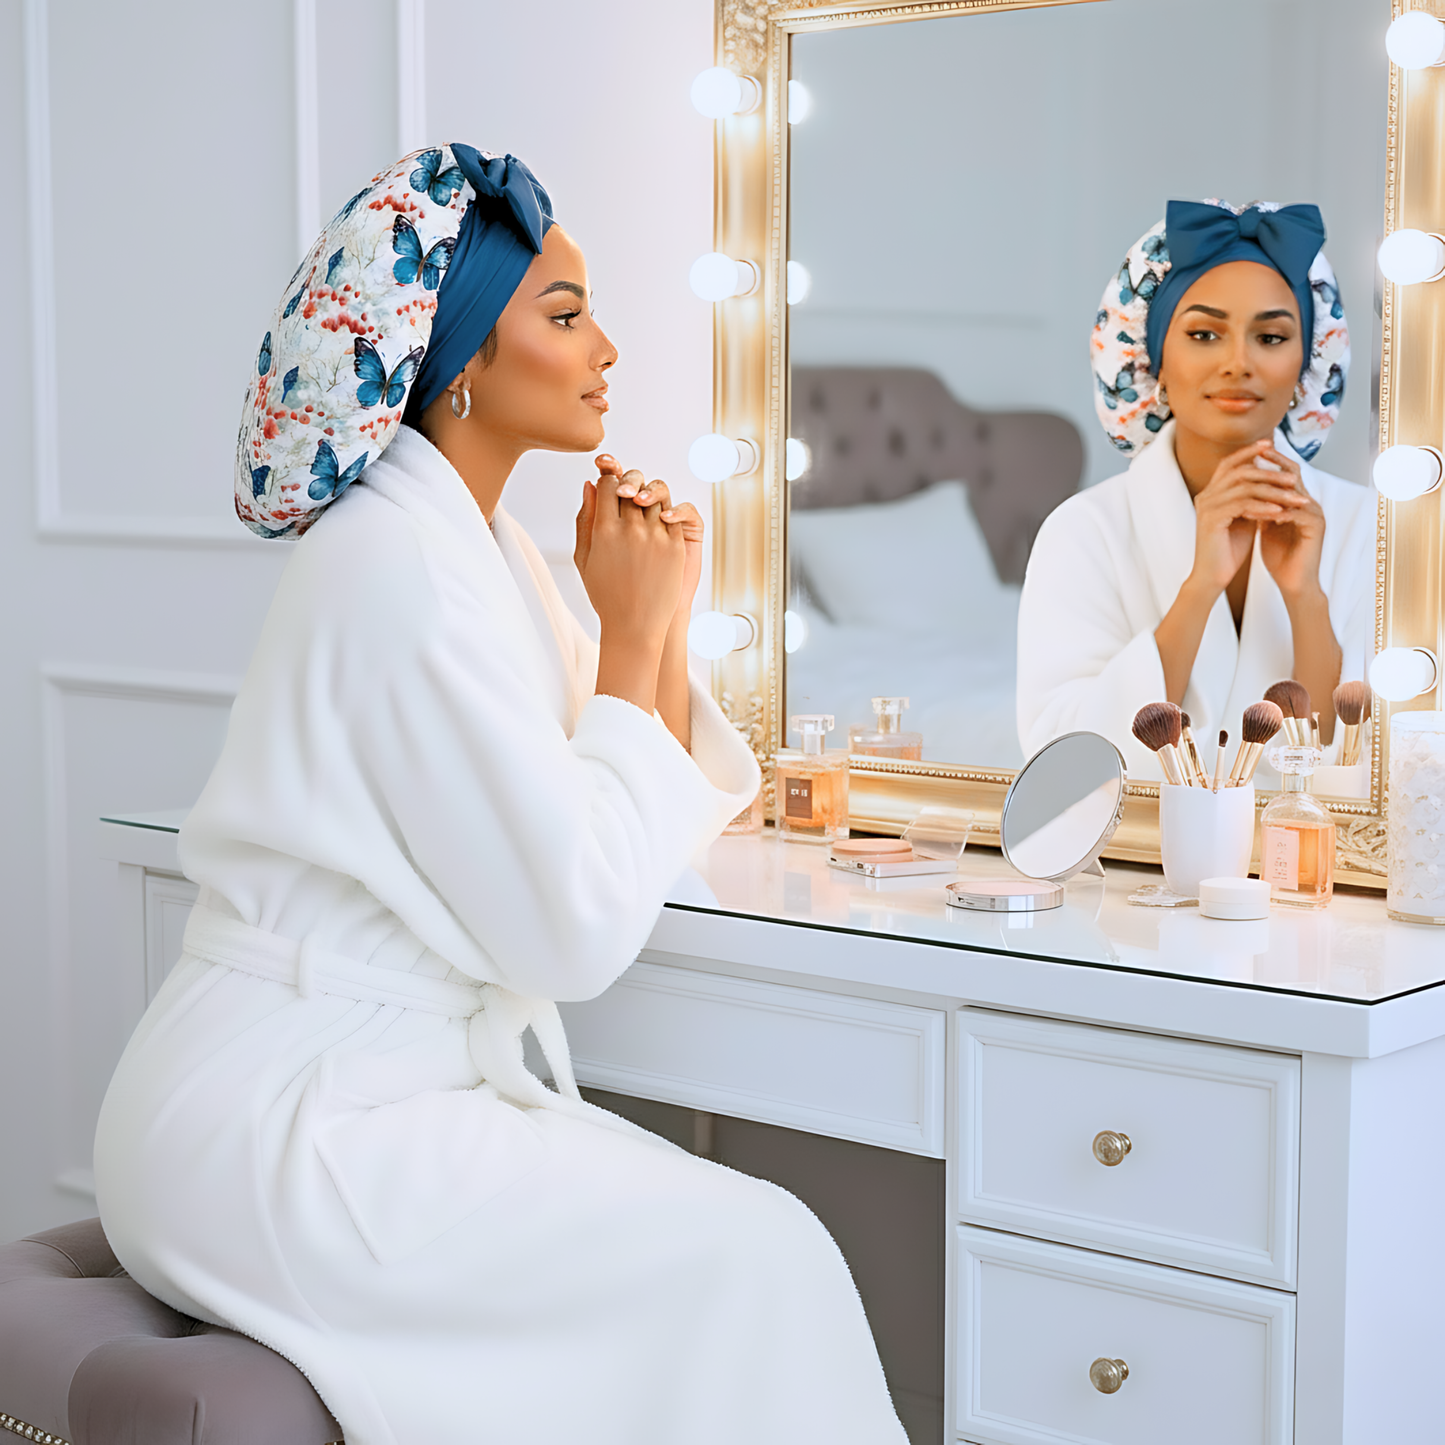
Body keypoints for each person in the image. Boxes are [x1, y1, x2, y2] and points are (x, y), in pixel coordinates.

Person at [93, 146, 907, 1445]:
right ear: (461, 353)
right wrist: (632, 635)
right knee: (763, 1251)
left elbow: (611, 791)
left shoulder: (486, 552)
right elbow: (574, 927)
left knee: (748, 1254)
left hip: (384, 1088)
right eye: (568, 316)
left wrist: (653, 620)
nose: (610, 351)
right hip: (286, 1125)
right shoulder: (393, 569)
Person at [1016, 199, 1373, 781]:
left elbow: (1374, 772)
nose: (1238, 362)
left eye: (1272, 336)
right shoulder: (1083, 532)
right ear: (1151, 356)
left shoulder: (1370, 528)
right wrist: (1199, 587)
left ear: (1309, 361)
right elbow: (1062, 768)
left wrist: (1306, 598)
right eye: (1205, 333)